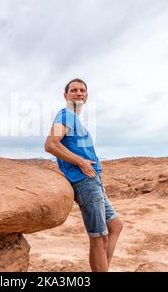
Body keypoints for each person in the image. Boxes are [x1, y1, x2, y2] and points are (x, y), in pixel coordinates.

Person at [44, 78, 123, 272]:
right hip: (84, 181)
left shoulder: (74, 119)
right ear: (66, 95)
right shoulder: (65, 116)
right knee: (99, 237)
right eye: (74, 90)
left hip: (94, 180)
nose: (79, 93)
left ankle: (102, 268)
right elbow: (50, 144)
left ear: (86, 96)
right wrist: (80, 162)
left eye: (82, 90)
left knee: (115, 226)